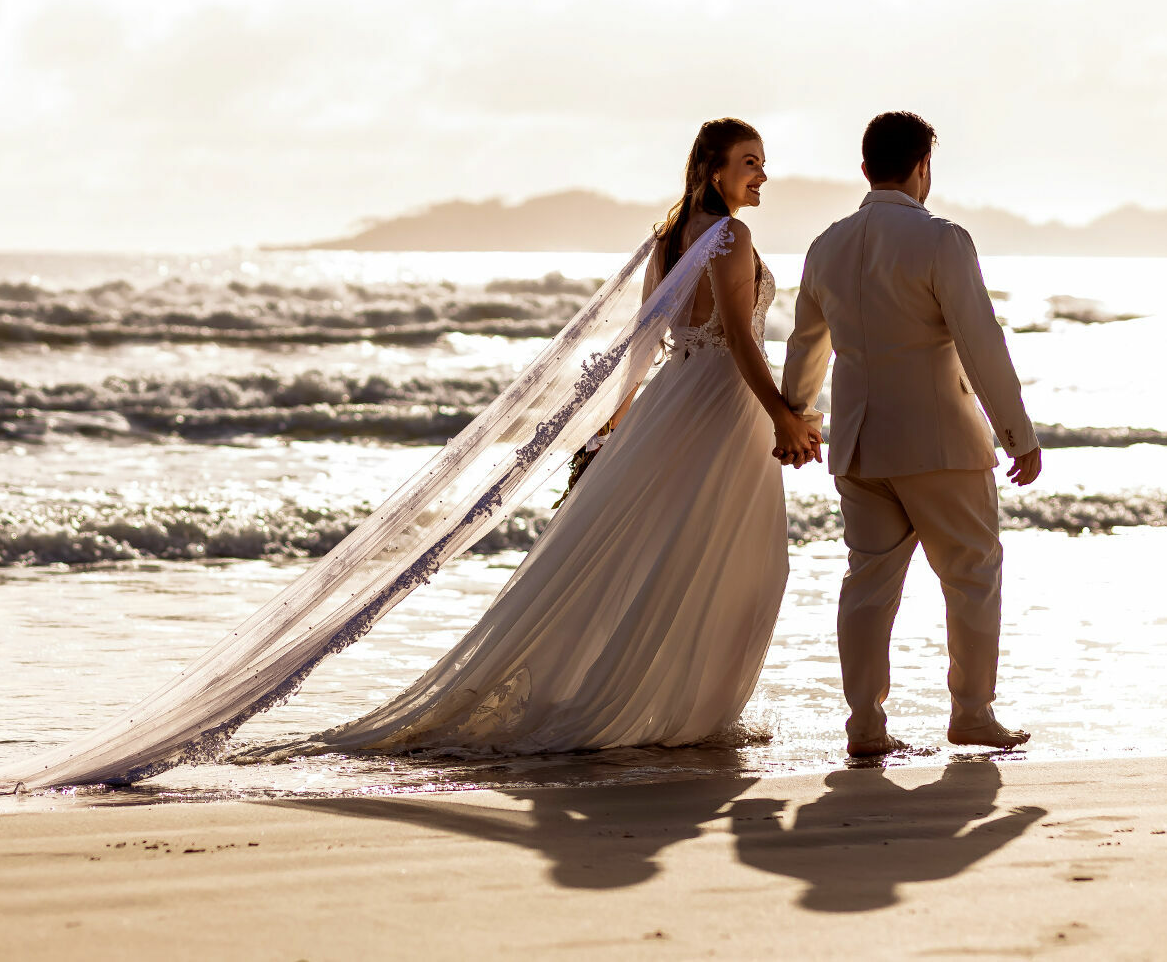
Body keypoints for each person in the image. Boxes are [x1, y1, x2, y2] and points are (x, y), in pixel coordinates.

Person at [266, 118, 822, 758]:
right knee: (737, 560)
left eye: (762, 162)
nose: (762, 175)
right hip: (723, 405)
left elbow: (646, 346)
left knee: (678, 554)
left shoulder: (671, 238)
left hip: (680, 398)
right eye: (750, 162)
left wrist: (617, 425)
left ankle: (679, 707)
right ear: (714, 170)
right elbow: (739, 336)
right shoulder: (728, 234)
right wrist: (783, 413)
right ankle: (686, 714)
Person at [781, 112, 1042, 758]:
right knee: (972, 572)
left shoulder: (826, 246)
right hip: (941, 443)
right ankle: (972, 712)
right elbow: (982, 342)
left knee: (867, 585)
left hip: (861, 445)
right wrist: (1017, 434)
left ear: (866, 168)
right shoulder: (942, 240)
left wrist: (798, 417)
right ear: (924, 166)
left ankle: (865, 725)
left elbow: (806, 347)